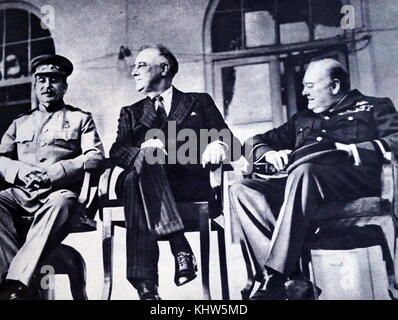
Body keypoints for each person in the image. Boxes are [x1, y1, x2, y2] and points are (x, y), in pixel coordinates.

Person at [230, 58, 398, 300]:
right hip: (300, 187)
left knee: (304, 171)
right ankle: (294, 279)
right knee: (242, 189)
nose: (303, 92)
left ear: (335, 86)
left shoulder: (373, 107)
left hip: (349, 184)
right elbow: (252, 142)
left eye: (309, 85)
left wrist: (354, 150)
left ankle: (275, 278)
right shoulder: (302, 118)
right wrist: (269, 152)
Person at [109, 44, 240, 300]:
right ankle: (179, 246)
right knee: (145, 162)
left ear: (164, 68)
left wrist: (217, 144)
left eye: (141, 65)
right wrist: (145, 151)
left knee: (136, 181)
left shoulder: (198, 101)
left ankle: (145, 286)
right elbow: (117, 150)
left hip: (187, 183)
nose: (134, 72)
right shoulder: (131, 112)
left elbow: (231, 144)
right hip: (143, 181)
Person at [0, 54, 104, 300]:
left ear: (64, 86)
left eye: (54, 80)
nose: (47, 86)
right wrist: (20, 171)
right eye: (41, 81)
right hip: (23, 194)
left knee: (61, 201)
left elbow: (95, 156)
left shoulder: (80, 119)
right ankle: (10, 280)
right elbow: (0, 157)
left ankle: (15, 282)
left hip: (58, 196)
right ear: (35, 86)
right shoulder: (20, 123)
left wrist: (54, 173)